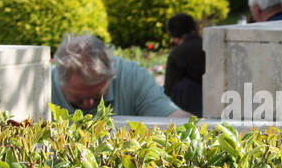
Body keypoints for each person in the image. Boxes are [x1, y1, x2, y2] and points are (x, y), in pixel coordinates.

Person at [51, 33, 188, 117]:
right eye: (78, 99)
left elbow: (171, 116)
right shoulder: (42, 87)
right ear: (60, 81)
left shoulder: (133, 78)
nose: (89, 104)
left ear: (111, 76)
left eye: (98, 97)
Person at [164, 13, 205, 116]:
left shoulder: (176, 55)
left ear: (175, 38)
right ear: (196, 28)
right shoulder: (209, 46)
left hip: (189, 114)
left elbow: (168, 91)